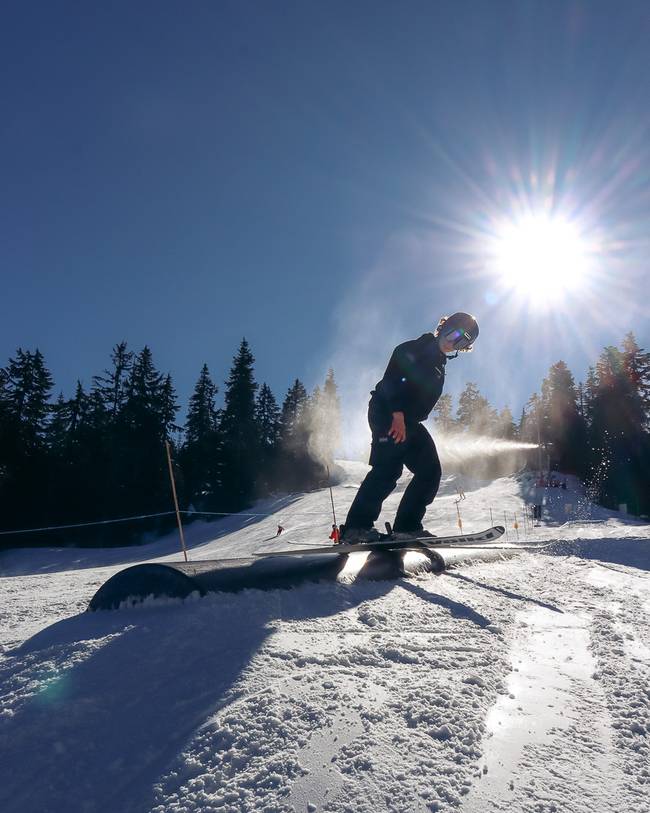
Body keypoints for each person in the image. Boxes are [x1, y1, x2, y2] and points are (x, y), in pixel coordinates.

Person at [340, 312, 479, 543]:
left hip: (410, 422)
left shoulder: (438, 366)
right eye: (453, 333)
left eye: (462, 341)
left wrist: (406, 418)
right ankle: (356, 528)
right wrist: (397, 414)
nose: (453, 341)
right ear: (443, 327)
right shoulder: (415, 348)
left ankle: (407, 527)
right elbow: (393, 380)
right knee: (388, 468)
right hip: (387, 411)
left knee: (430, 471)